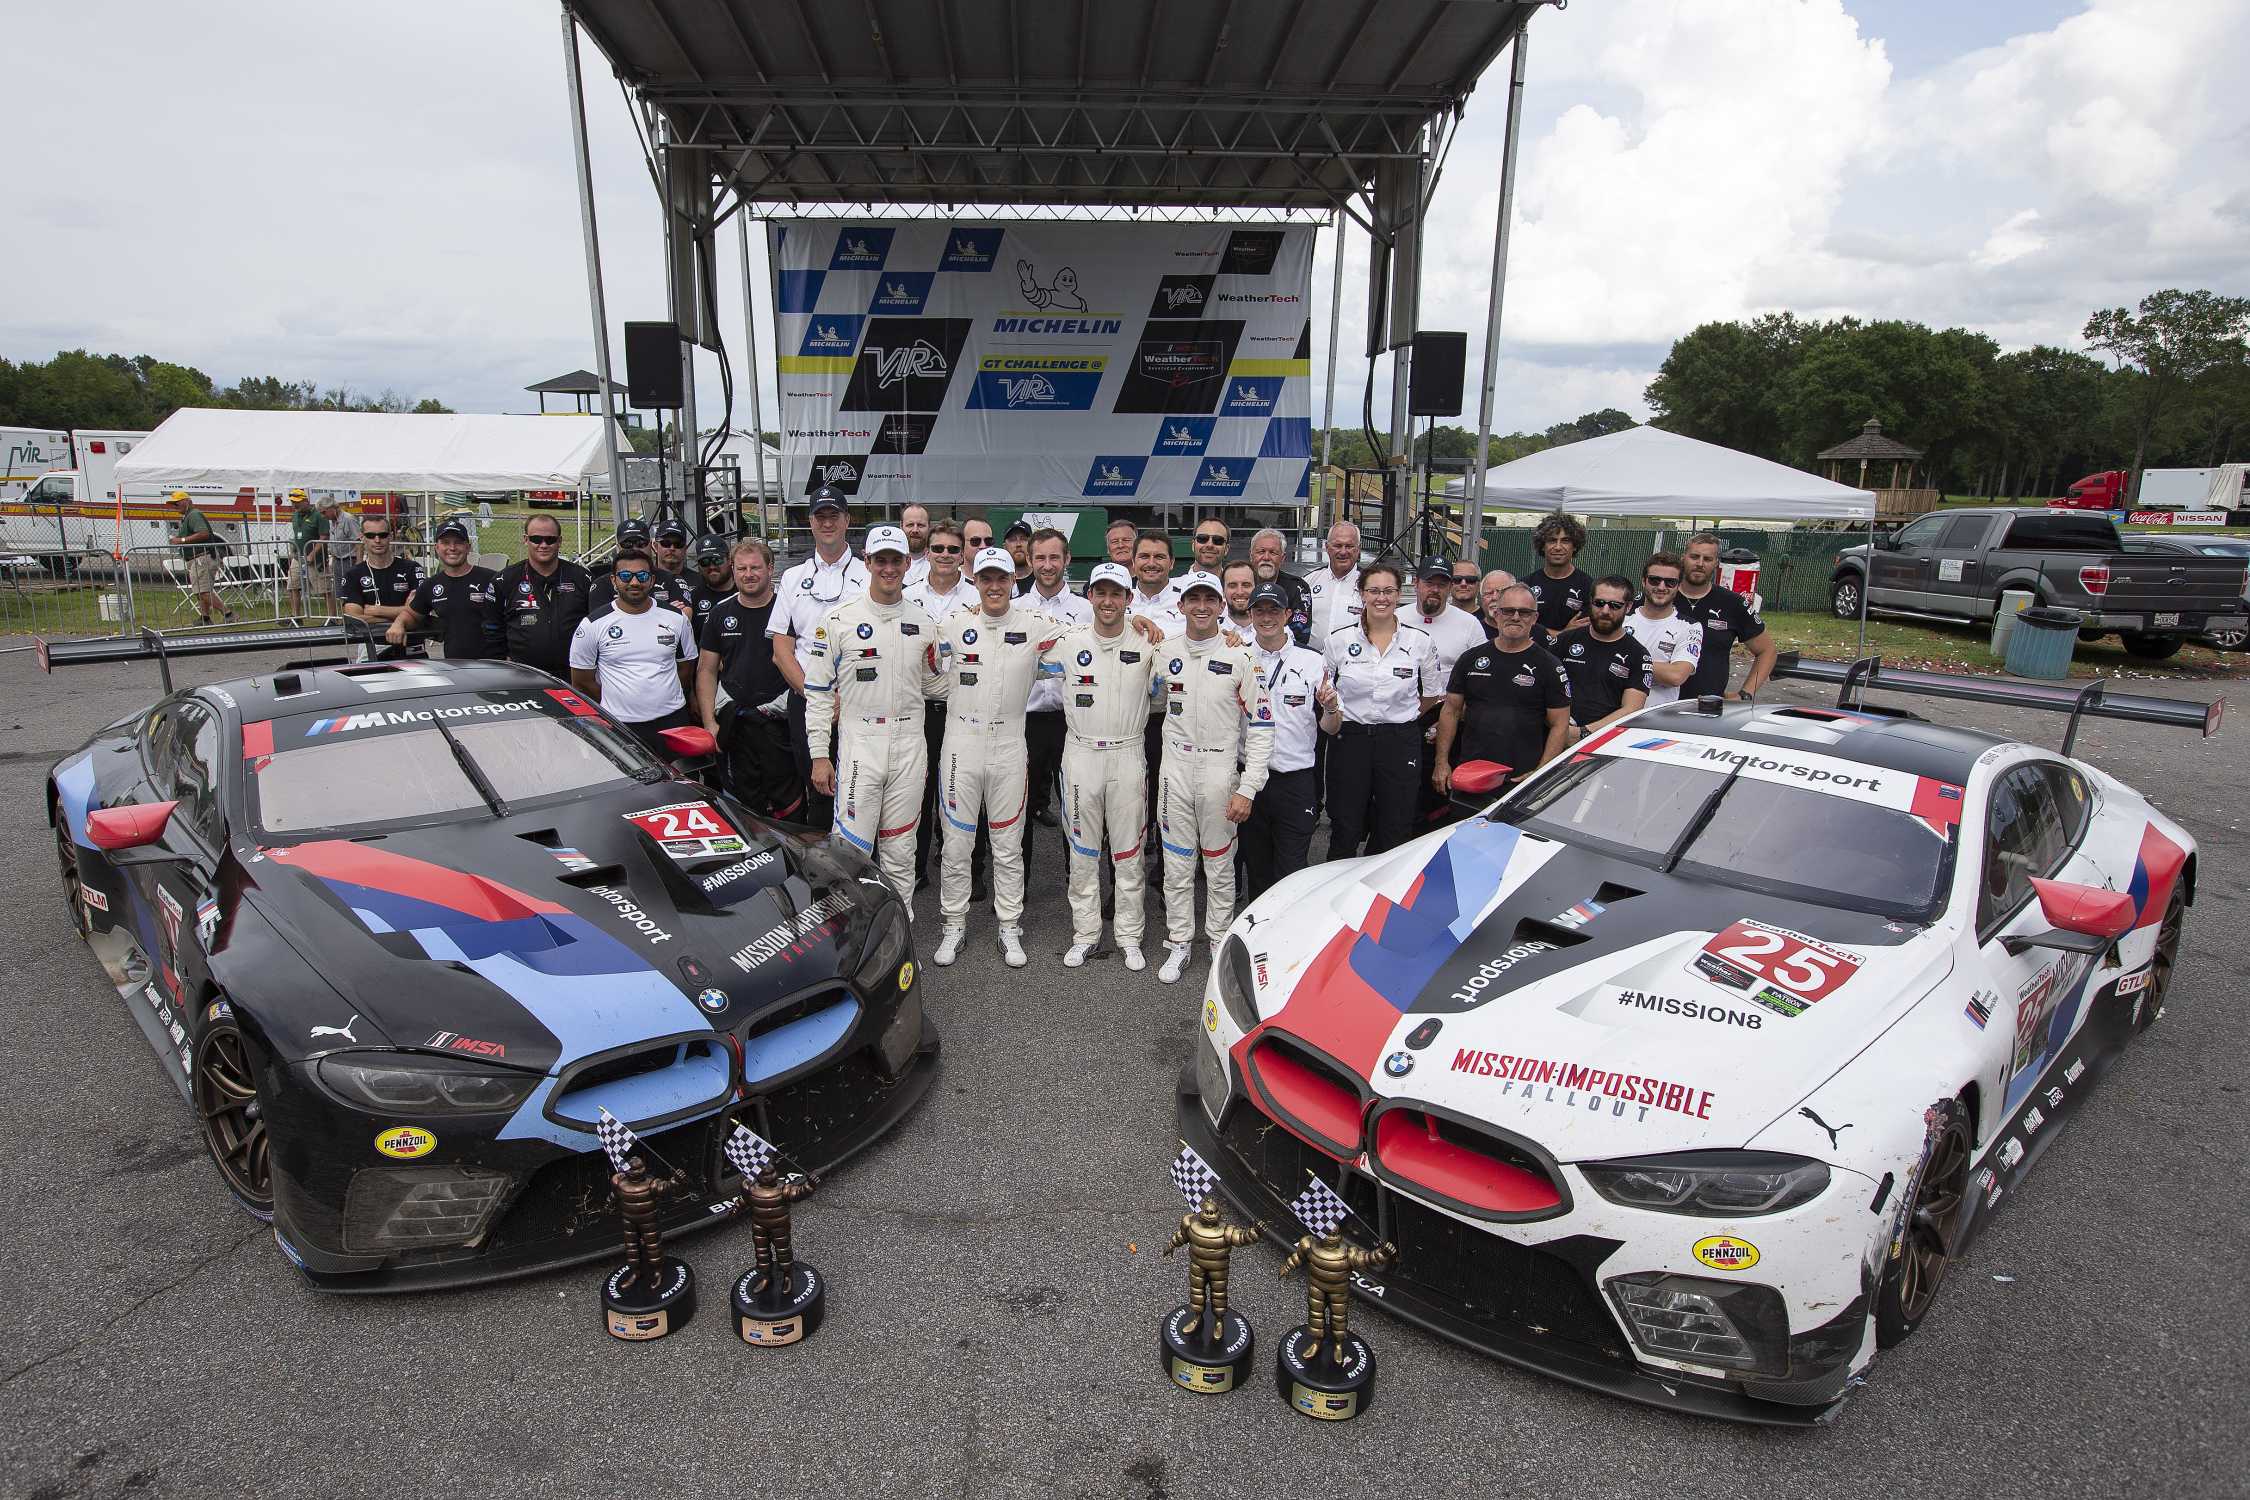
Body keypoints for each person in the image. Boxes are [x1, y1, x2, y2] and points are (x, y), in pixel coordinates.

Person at [931, 546, 1057, 969]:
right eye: (986, 578)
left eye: (1001, 578)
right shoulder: (953, 623)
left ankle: (1009, 924)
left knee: (1007, 842)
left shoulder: (1036, 625)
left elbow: (1089, 640)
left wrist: (1142, 625)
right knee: (956, 843)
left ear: (1013, 581)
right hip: (960, 742)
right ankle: (954, 923)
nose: (994, 586)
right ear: (974, 579)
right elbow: (920, 663)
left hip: (1009, 741)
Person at [803, 525, 943, 905]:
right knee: (850, 849)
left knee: (901, 848)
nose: (888, 568)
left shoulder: (925, 621)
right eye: (880, 559)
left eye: (895, 559)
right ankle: (849, 936)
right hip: (860, 743)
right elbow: (816, 693)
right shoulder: (838, 619)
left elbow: (937, 684)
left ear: (906, 562)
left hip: (911, 743)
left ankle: (902, 928)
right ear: (867, 562)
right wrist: (819, 754)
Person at [1040, 562, 1160, 970]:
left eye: (1117, 594)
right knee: (1083, 853)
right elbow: (1015, 642)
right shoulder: (1068, 642)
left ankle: (1129, 936)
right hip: (1081, 753)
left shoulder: (1149, 643)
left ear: (1130, 599)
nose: (1108, 601)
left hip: (1127, 753)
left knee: (1129, 852)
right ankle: (1086, 934)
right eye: (1101, 592)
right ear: (1089, 596)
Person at [1154, 570, 1271, 984]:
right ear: (1181, 605)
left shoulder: (1242, 657)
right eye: (1193, 598)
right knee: (1176, 862)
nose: (1201, 606)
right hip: (1175, 770)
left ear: (1223, 606)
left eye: (1210, 599)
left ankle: (1220, 940)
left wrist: (1248, 787)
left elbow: (1261, 726)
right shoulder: (1163, 652)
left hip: (1221, 769)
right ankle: (1180, 940)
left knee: (1220, 866)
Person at [1318, 562, 1442, 859]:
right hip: (1351, 739)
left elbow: (1431, 695)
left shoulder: (1420, 642)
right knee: (1345, 824)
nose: (1381, 598)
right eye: (1373, 590)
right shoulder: (1338, 641)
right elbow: (1325, 690)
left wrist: (1403, 716)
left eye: (1389, 591)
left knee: (1395, 824)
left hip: (1399, 739)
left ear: (1399, 595)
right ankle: (1338, 890)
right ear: (1361, 594)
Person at [769, 486, 870, 829]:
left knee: (862, 790)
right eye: (820, 516)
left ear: (847, 520)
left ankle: (863, 871)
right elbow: (782, 649)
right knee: (818, 788)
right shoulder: (793, 578)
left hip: (858, 702)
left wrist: (847, 698)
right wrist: (815, 695)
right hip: (807, 700)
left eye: (834, 515)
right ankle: (823, 875)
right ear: (810, 522)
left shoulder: (868, 575)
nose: (827, 523)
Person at [1433, 583, 1572, 799]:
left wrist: (1540, 774)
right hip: (1470, 774)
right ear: (1496, 614)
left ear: (1534, 618)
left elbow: (1560, 724)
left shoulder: (1550, 666)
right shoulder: (1470, 659)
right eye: (1508, 611)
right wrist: (1441, 763)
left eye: (1524, 612)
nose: (1515, 617)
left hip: (1522, 780)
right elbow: (1450, 712)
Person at [698, 538, 802, 822]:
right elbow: (706, 670)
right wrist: (710, 723)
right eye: (741, 568)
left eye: (755, 567)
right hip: (736, 724)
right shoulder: (720, 613)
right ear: (732, 570)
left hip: (779, 722)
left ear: (770, 569)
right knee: (742, 807)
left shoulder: (790, 610)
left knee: (789, 805)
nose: (748, 574)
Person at [906, 519, 983, 893]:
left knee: (967, 792)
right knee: (917, 793)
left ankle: (972, 870)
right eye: (938, 548)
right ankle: (916, 868)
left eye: (954, 549)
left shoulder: (979, 596)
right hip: (919, 709)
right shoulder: (906, 595)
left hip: (965, 708)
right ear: (927, 551)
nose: (945, 555)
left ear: (963, 553)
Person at [1238, 582, 1325, 903]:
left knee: (1291, 869)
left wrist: (1329, 707)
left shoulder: (1312, 661)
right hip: (1250, 779)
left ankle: (1290, 941)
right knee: (1256, 867)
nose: (1266, 617)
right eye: (1259, 610)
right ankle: (1257, 934)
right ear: (1250, 615)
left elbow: (1331, 724)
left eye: (1274, 609)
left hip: (1295, 781)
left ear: (1288, 614)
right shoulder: (1239, 654)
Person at [568, 543, 699, 752]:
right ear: (614, 580)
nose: (635, 582)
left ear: (653, 580)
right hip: (619, 724)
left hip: (672, 720)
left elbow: (685, 670)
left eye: (643, 576)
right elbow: (582, 681)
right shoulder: (592, 625)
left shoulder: (677, 619)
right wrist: (618, 701)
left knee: (676, 781)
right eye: (626, 576)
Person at [1019, 526, 1091, 836]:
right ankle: (1017, 885)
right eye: (1040, 558)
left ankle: (1075, 881)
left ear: (1067, 559)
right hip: (1025, 722)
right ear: (1029, 560)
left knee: (1075, 807)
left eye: (1054, 557)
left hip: (1072, 721)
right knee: (1020, 810)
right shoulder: (1014, 609)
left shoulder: (1087, 610)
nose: (1047, 565)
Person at [1675, 532, 1776, 701]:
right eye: (1694, 557)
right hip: (1657, 706)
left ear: (1716, 563)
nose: (1700, 564)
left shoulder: (1732, 603)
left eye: (1707, 559)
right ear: (1683, 558)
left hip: (1707, 709)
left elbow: (1767, 651)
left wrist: (1745, 694)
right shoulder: (1661, 597)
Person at [1552, 575, 1652, 738]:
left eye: (1615, 606)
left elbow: (1631, 709)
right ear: (1590, 601)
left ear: (1628, 607)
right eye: (1599, 603)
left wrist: (1583, 733)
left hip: (1600, 742)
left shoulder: (1638, 654)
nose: (1605, 611)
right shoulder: (1565, 640)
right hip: (1555, 732)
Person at [387, 518, 503, 659]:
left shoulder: (492, 579)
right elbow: (412, 614)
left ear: (468, 547)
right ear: (436, 547)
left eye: (458, 542)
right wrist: (399, 623)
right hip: (455, 665)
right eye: (446, 543)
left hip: (495, 665)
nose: (452, 548)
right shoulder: (431, 585)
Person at [498, 515, 592, 678]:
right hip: (522, 675)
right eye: (536, 539)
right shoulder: (505, 580)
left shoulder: (582, 578)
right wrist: (502, 661)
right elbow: (492, 627)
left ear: (560, 541)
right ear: (526, 540)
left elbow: (597, 625)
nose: (543, 545)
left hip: (574, 673)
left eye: (550, 539)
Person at [1625, 552, 1703, 707]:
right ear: (1643, 581)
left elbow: (1676, 676)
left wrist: (1621, 661)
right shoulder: (1623, 617)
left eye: (1670, 582)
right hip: (1613, 716)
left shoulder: (1690, 627)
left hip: (1657, 719)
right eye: (1654, 580)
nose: (1661, 587)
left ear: (1678, 586)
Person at [337, 511, 421, 656]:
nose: (377, 540)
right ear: (363, 538)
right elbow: (355, 619)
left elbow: (419, 612)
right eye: (370, 536)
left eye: (382, 535)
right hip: (372, 647)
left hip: (411, 646)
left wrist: (378, 610)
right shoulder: (353, 575)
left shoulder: (412, 568)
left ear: (391, 536)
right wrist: (403, 617)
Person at [589, 517, 696, 615]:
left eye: (640, 543)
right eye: (627, 544)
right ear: (618, 547)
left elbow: (685, 615)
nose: (634, 548)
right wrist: (665, 614)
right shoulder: (601, 584)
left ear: (651, 545)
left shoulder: (672, 580)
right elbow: (601, 623)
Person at [1409, 557, 1489, 677]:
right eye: (1429, 583)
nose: (1435, 589)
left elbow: (1482, 671)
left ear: (1450, 587)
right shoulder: (1396, 618)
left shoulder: (1470, 623)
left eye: (1442, 584)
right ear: (1416, 583)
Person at [1523, 509, 1593, 637]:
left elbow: (1583, 631)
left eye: (1565, 541)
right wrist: (1562, 634)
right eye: (1552, 540)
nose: (1558, 547)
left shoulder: (1588, 586)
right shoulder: (1526, 585)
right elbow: (1522, 626)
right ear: (1542, 546)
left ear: (1575, 546)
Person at [167, 491, 231, 623]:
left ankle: (228, 614)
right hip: (198, 559)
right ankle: (205, 618)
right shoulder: (188, 516)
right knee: (201, 590)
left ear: (187, 501)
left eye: (177, 502)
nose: (175, 505)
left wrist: (181, 540)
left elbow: (204, 533)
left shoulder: (194, 515)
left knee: (203, 591)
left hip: (201, 558)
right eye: (173, 504)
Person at [1248, 527, 1311, 646]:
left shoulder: (1298, 587)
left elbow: (1301, 633)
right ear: (1251, 556)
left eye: (1273, 552)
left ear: (1282, 558)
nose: (1266, 557)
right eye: (1261, 551)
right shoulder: (1239, 584)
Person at [1306, 520, 1361, 640]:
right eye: (1337, 545)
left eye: (1349, 546)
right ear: (1327, 547)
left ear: (1358, 549)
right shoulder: (1309, 581)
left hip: (1353, 657)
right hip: (1313, 657)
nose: (1343, 552)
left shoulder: (1369, 584)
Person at [287, 489, 329, 616]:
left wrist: (312, 554)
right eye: (293, 502)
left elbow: (324, 537)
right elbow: (297, 535)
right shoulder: (295, 516)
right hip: (297, 557)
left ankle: (332, 617)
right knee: (293, 586)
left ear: (306, 501)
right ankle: (296, 617)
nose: (295, 505)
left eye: (298, 502)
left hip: (316, 559)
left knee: (324, 589)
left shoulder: (319, 515)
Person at [687, 533, 735, 630]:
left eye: (717, 560)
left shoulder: (744, 592)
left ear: (729, 560)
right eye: (705, 562)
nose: (712, 567)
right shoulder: (693, 598)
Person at [1130, 529, 1182, 617]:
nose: (1151, 563)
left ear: (1171, 563)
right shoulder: (1120, 600)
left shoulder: (1185, 600)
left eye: (1159, 557)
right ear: (1133, 562)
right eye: (1144, 556)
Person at [319, 495, 357, 602]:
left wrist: (359, 563)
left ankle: (352, 616)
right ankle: (342, 617)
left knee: (351, 592)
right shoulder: (332, 520)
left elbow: (359, 542)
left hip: (350, 561)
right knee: (340, 593)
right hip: (337, 560)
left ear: (332, 508)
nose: (323, 516)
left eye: (324, 512)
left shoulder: (349, 519)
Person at [1477, 569, 1519, 642]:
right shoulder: (1473, 631)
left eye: (1501, 592)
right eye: (1489, 593)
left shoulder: (1530, 631)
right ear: (1481, 599)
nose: (1494, 597)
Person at [1220, 559, 1258, 635]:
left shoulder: (1275, 632)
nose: (1240, 592)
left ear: (1256, 589)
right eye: (1232, 586)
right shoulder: (1213, 632)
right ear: (1223, 591)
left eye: (1246, 585)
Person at [900, 502, 932, 587]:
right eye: (910, 525)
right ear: (901, 526)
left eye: (920, 525)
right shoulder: (889, 563)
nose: (915, 530)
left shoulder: (939, 562)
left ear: (929, 527)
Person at [1002, 519, 1035, 595]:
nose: (1018, 544)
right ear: (1004, 547)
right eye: (1012, 540)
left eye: (1023, 539)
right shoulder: (997, 581)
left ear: (1032, 545)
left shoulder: (1041, 579)